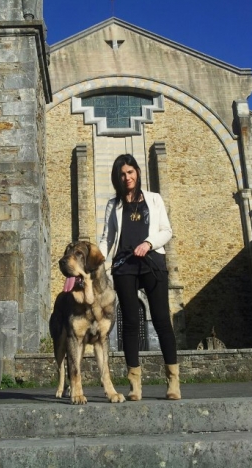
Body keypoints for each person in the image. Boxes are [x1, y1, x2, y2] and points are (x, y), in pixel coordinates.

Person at [99, 154, 181, 400]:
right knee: (131, 325)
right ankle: (135, 384)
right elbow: (107, 238)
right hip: (124, 266)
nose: (127, 177)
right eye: (123, 174)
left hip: (152, 263)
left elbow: (167, 230)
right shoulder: (113, 205)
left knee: (161, 321)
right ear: (118, 178)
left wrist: (148, 242)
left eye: (130, 172)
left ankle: (173, 381)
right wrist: (96, 261)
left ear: (137, 172)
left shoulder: (154, 199)